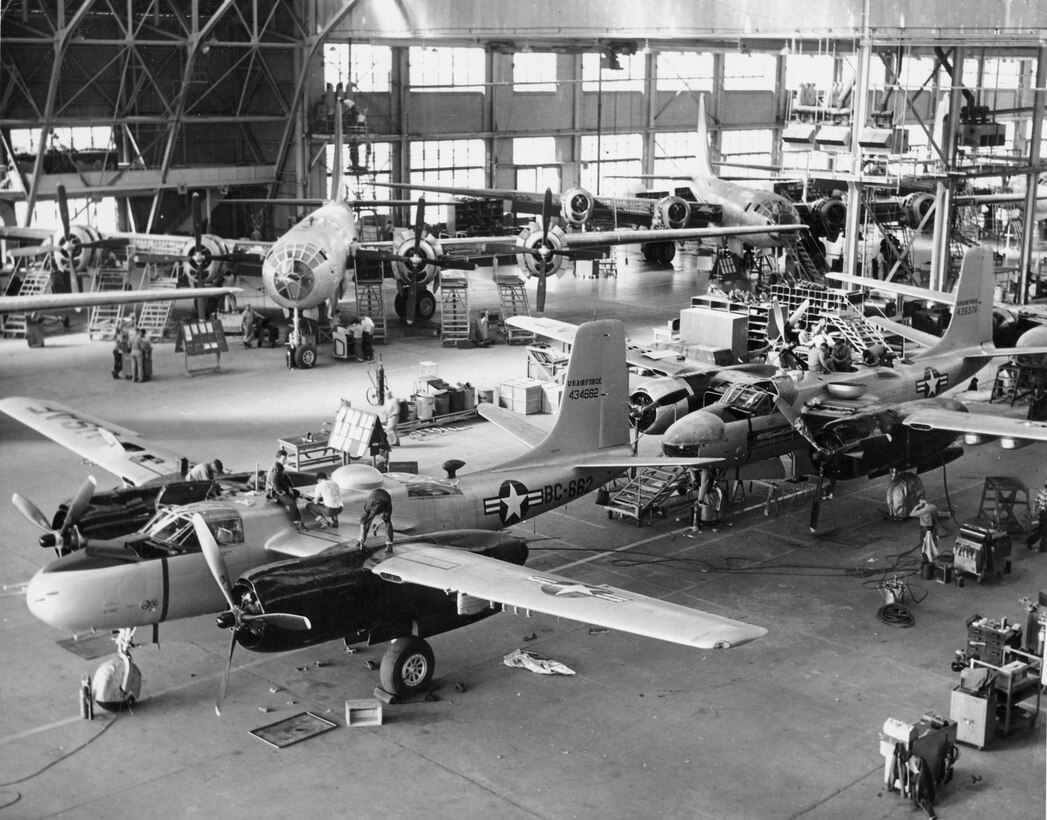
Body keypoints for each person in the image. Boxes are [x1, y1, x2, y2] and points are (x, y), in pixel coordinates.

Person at [267, 449, 304, 530]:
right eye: (284, 459)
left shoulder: (278, 465)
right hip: (275, 491)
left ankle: (281, 500)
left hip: (281, 488)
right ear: (278, 458)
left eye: (286, 459)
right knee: (292, 503)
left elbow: (281, 480)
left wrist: (288, 488)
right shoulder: (277, 467)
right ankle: (297, 522)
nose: (285, 461)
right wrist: (280, 492)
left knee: (296, 493)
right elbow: (273, 481)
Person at [357, 486, 394, 553]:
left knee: (388, 523)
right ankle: (361, 541)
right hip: (374, 496)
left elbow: (386, 519)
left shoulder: (387, 506)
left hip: (385, 497)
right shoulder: (369, 505)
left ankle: (389, 545)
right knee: (367, 521)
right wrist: (361, 534)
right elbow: (362, 520)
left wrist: (377, 526)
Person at [1027, 479, 1047, 553]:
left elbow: (1036, 502)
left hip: (1042, 514)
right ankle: (1031, 542)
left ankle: (1041, 547)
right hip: (1045, 514)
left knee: (1043, 531)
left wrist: (1034, 511)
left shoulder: (1041, 492)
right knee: (1043, 531)